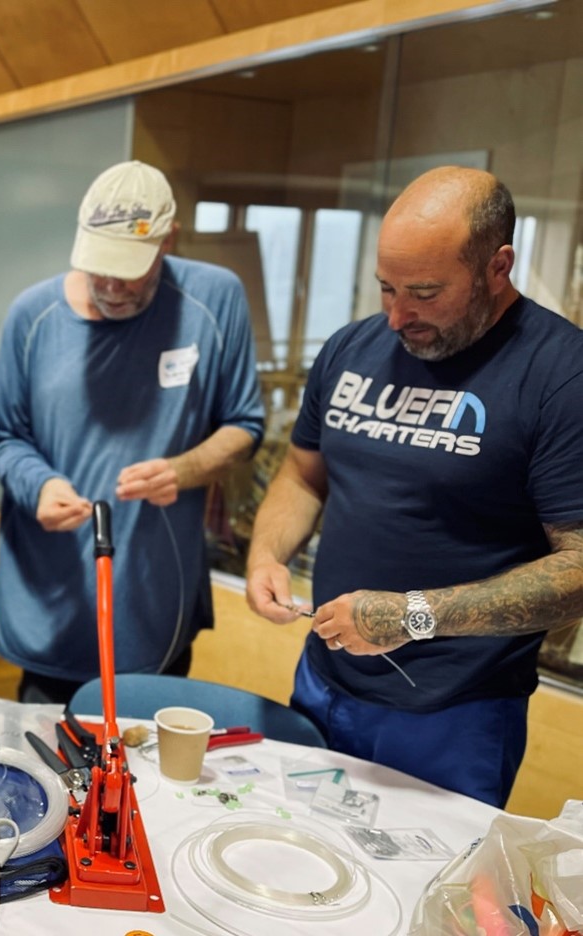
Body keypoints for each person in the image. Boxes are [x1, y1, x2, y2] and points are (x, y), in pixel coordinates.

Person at [246, 166, 583, 808]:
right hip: (324, 679)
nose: (399, 316)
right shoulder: (351, 348)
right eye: (386, 288)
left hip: (456, 712)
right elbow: (302, 474)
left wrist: (415, 616)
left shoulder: (562, 377)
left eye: (426, 293)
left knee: (424, 900)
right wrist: (268, 554)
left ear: (497, 265)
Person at [0, 160, 265, 706]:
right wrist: (38, 485)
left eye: (129, 270)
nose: (111, 286)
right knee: (50, 769)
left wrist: (185, 470)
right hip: (56, 589)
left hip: (153, 589)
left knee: (146, 775)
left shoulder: (214, 299)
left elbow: (244, 424)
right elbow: (4, 434)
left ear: (168, 241)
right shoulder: (32, 315)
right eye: (98, 267)